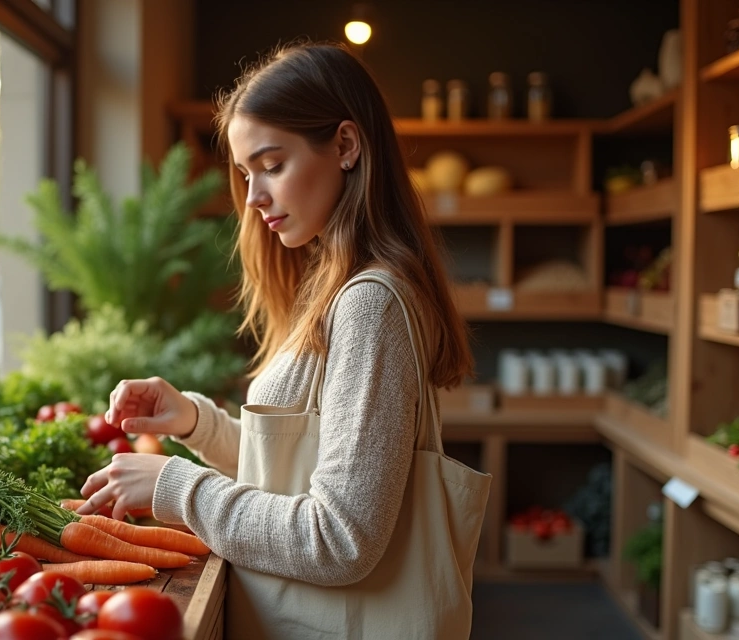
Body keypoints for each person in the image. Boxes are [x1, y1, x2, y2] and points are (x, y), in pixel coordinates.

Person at [76, 41, 492, 639]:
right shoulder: (337, 284)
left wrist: (177, 487)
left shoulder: (369, 304)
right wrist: (195, 421)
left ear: (346, 146)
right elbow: (305, 469)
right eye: (246, 174)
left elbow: (340, 538)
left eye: (272, 165)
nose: (253, 197)